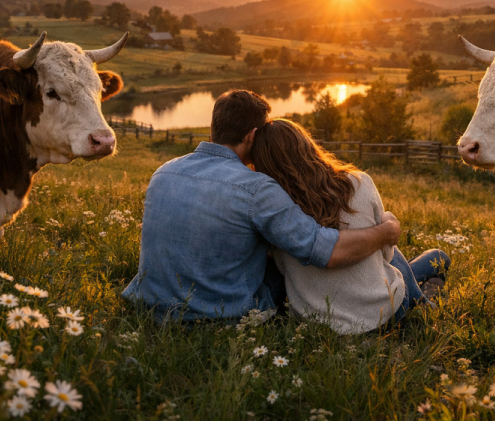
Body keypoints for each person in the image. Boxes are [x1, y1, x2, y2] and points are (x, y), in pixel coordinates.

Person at [121, 89, 402, 322]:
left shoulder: (163, 172)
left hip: (150, 309)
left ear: (214, 128)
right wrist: (385, 232)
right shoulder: (256, 189)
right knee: (295, 266)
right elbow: (324, 250)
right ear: (252, 137)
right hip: (216, 316)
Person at [252, 118, 450, 334]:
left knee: (393, 257)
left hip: (318, 324)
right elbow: (386, 253)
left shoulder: (274, 212)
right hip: (383, 314)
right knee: (437, 257)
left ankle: (419, 297)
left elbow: (282, 267)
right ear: (307, 145)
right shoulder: (359, 182)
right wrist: (388, 225)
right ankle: (422, 300)